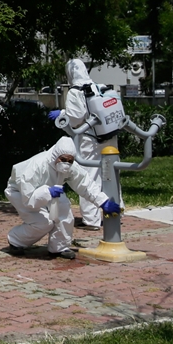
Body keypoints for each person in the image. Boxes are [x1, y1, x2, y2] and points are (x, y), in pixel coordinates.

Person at [4, 136, 120, 259]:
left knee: (64, 210)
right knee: (43, 223)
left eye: (70, 161)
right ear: (55, 155)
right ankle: (15, 241)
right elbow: (29, 200)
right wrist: (47, 192)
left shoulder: (71, 166)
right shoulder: (36, 166)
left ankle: (59, 247)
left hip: (51, 190)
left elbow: (85, 184)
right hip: (20, 192)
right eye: (63, 159)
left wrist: (102, 202)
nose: (66, 163)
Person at [62, 58, 105, 231]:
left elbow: (75, 118)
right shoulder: (98, 87)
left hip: (88, 139)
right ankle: (116, 212)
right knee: (109, 175)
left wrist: (62, 113)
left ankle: (91, 220)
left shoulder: (75, 91)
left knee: (89, 177)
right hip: (106, 135)